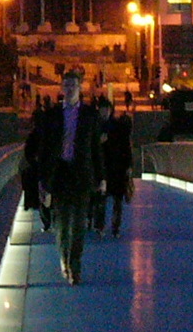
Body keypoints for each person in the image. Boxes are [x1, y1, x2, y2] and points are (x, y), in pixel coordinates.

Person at [38, 70, 105, 284]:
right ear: (61, 88)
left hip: (82, 175)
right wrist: (44, 183)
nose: (69, 90)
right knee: (62, 223)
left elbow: (96, 148)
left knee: (78, 224)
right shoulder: (52, 115)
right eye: (66, 86)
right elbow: (45, 150)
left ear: (80, 88)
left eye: (73, 86)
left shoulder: (90, 115)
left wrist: (101, 177)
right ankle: (64, 259)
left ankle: (74, 265)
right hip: (59, 175)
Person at [95, 97, 134, 238]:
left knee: (117, 200)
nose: (104, 112)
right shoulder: (94, 127)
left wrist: (128, 165)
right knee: (101, 199)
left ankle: (114, 227)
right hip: (101, 169)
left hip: (117, 168)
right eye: (102, 109)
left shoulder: (118, 126)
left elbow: (126, 147)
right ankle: (100, 226)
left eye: (107, 109)